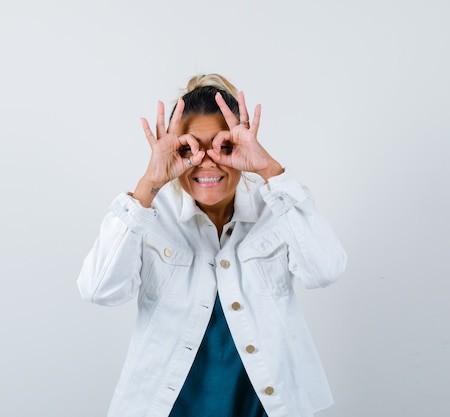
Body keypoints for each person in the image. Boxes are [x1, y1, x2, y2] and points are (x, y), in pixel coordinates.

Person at [77, 74, 347, 417]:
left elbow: (326, 269)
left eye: (224, 146)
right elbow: (99, 289)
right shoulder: (149, 216)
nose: (206, 160)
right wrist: (149, 184)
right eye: (189, 148)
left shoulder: (276, 210)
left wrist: (269, 170)